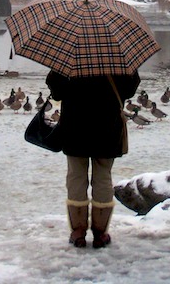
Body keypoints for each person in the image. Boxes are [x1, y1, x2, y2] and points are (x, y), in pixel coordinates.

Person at [46, 69, 140, 249]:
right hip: (107, 127)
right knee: (103, 177)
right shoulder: (116, 57)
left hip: (75, 127)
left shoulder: (70, 58)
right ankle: (100, 231)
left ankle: (78, 230)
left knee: (76, 177)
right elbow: (129, 89)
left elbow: (56, 91)